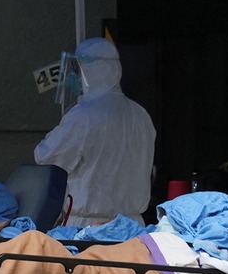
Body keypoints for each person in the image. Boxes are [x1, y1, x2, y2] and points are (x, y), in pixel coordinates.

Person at [34, 37, 156, 227]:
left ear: (95, 70)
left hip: (87, 225)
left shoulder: (84, 116)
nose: (74, 77)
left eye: (78, 70)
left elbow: (46, 157)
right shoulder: (140, 114)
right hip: (132, 225)